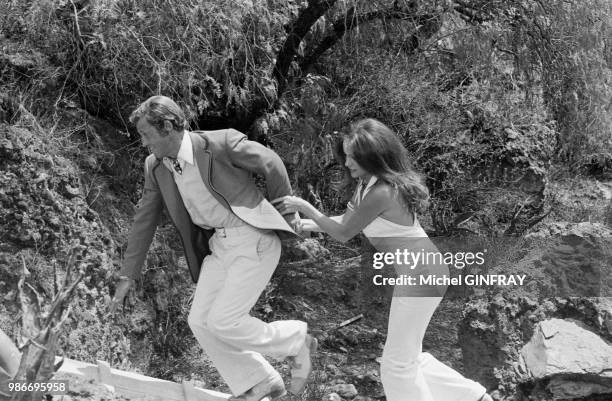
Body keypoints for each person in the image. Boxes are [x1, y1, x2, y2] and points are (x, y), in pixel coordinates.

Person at [108, 96, 317, 401]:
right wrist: (128, 274)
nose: (143, 143)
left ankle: (296, 340)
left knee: (224, 321)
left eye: (146, 134)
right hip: (219, 245)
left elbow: (270, 162)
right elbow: (145, 217)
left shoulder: (220, 143)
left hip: (252, 237)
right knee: (201, 321)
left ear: (167, 127)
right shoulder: (155, 166)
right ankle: (260, 382)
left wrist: (287, 214)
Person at [273, 118, 492, 401]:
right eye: (346, 155)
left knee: (396, 365)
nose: (347, 162)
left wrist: (306, 208)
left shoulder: (382, 191)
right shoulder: (367, 185)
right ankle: (474, 397)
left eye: (353, 157)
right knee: (410, 357)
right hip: (423, 270)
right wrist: (310, 224)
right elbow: (352, 221)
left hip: (422, 274)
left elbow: (343, 233)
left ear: (372, 157)